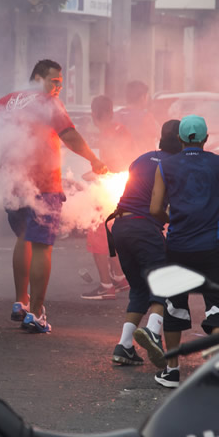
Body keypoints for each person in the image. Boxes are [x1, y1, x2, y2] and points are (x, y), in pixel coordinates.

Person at [145, 115, 219, 388]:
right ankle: (217, 372)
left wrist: (171, 220)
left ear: (181, 139)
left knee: (174, 307)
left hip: (178, 248)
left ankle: (172, 371)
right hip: (214, 247)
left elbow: (154, 209)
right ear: (206, 138)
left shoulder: (165, 166)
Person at [0, 59, 108, 333]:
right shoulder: (47, 102)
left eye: (60, 83)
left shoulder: (7, 100)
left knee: (23, 239)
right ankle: (35, 314)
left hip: (14, 182)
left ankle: (20, 302)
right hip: (43, 183)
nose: (57, 88)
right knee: (42, 246)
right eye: (53, 82)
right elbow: (69, 135)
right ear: (37, 78)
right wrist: (94, 159)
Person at [107, 120, 182, 366]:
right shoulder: (176, 165)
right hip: (144, 228)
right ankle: (152, 331)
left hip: (120, 227)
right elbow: (168, 205)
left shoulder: (142, 158)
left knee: (139, 288)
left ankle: (124, 346)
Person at [81, 95, 136, 301]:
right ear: (112, 112)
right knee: (111, 234)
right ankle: (120, 278)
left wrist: (91, 174)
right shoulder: (121, 129)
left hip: (109, 189)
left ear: (94, 115)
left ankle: (106, 285)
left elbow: (112, 163)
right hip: (123, 187)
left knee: (97, 235)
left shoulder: (107, 134)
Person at [117, 80, 161, 154]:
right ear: (142, 97)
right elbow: (152, 140)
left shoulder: (117, 115)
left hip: (118, 160)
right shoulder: (146, 117)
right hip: (140, 160)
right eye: (147, 96)